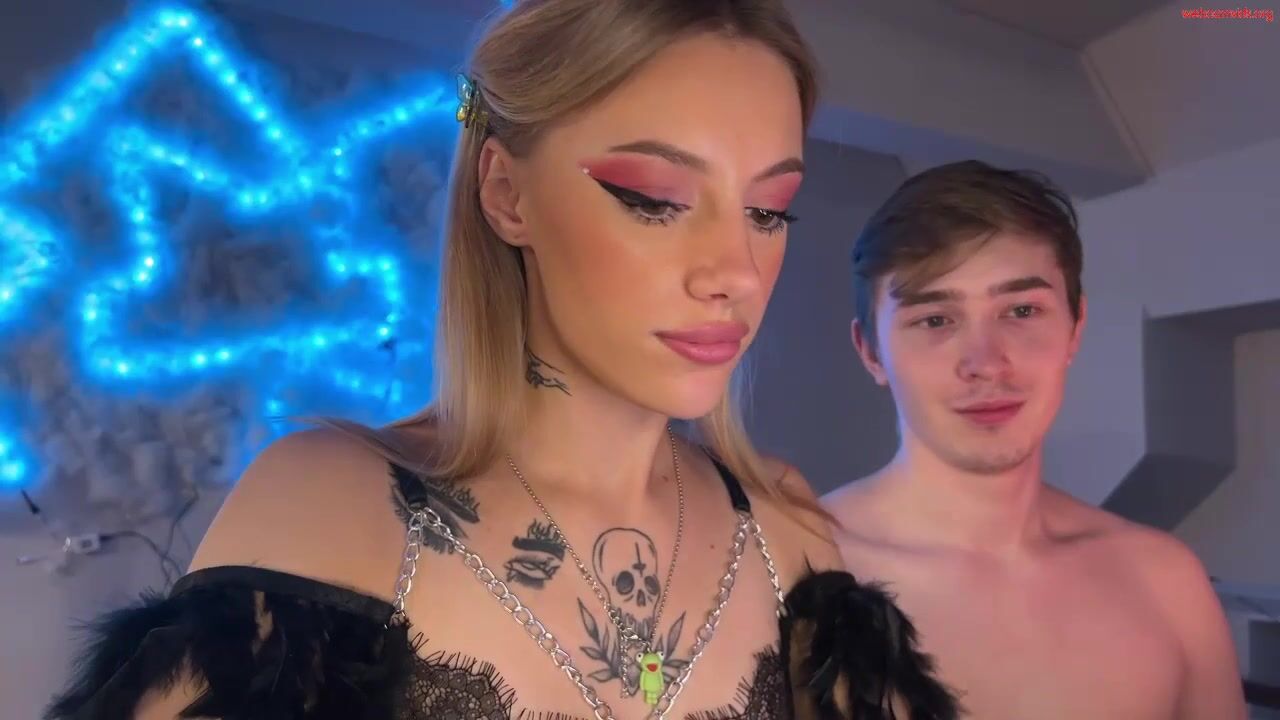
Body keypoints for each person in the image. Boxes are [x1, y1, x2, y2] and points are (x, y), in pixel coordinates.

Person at [45, 2, 955, 719]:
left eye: (768, 211)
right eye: (657, 200)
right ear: (507, 193)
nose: (736, 273)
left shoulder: (787, 531)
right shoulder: (335, 506)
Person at [825, 159, 1248, 719]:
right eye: (935, 320)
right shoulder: (795, 571)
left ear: (1075, 328)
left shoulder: (1168, 582)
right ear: (871, 352)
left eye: (1022, 310)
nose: (986, 363)